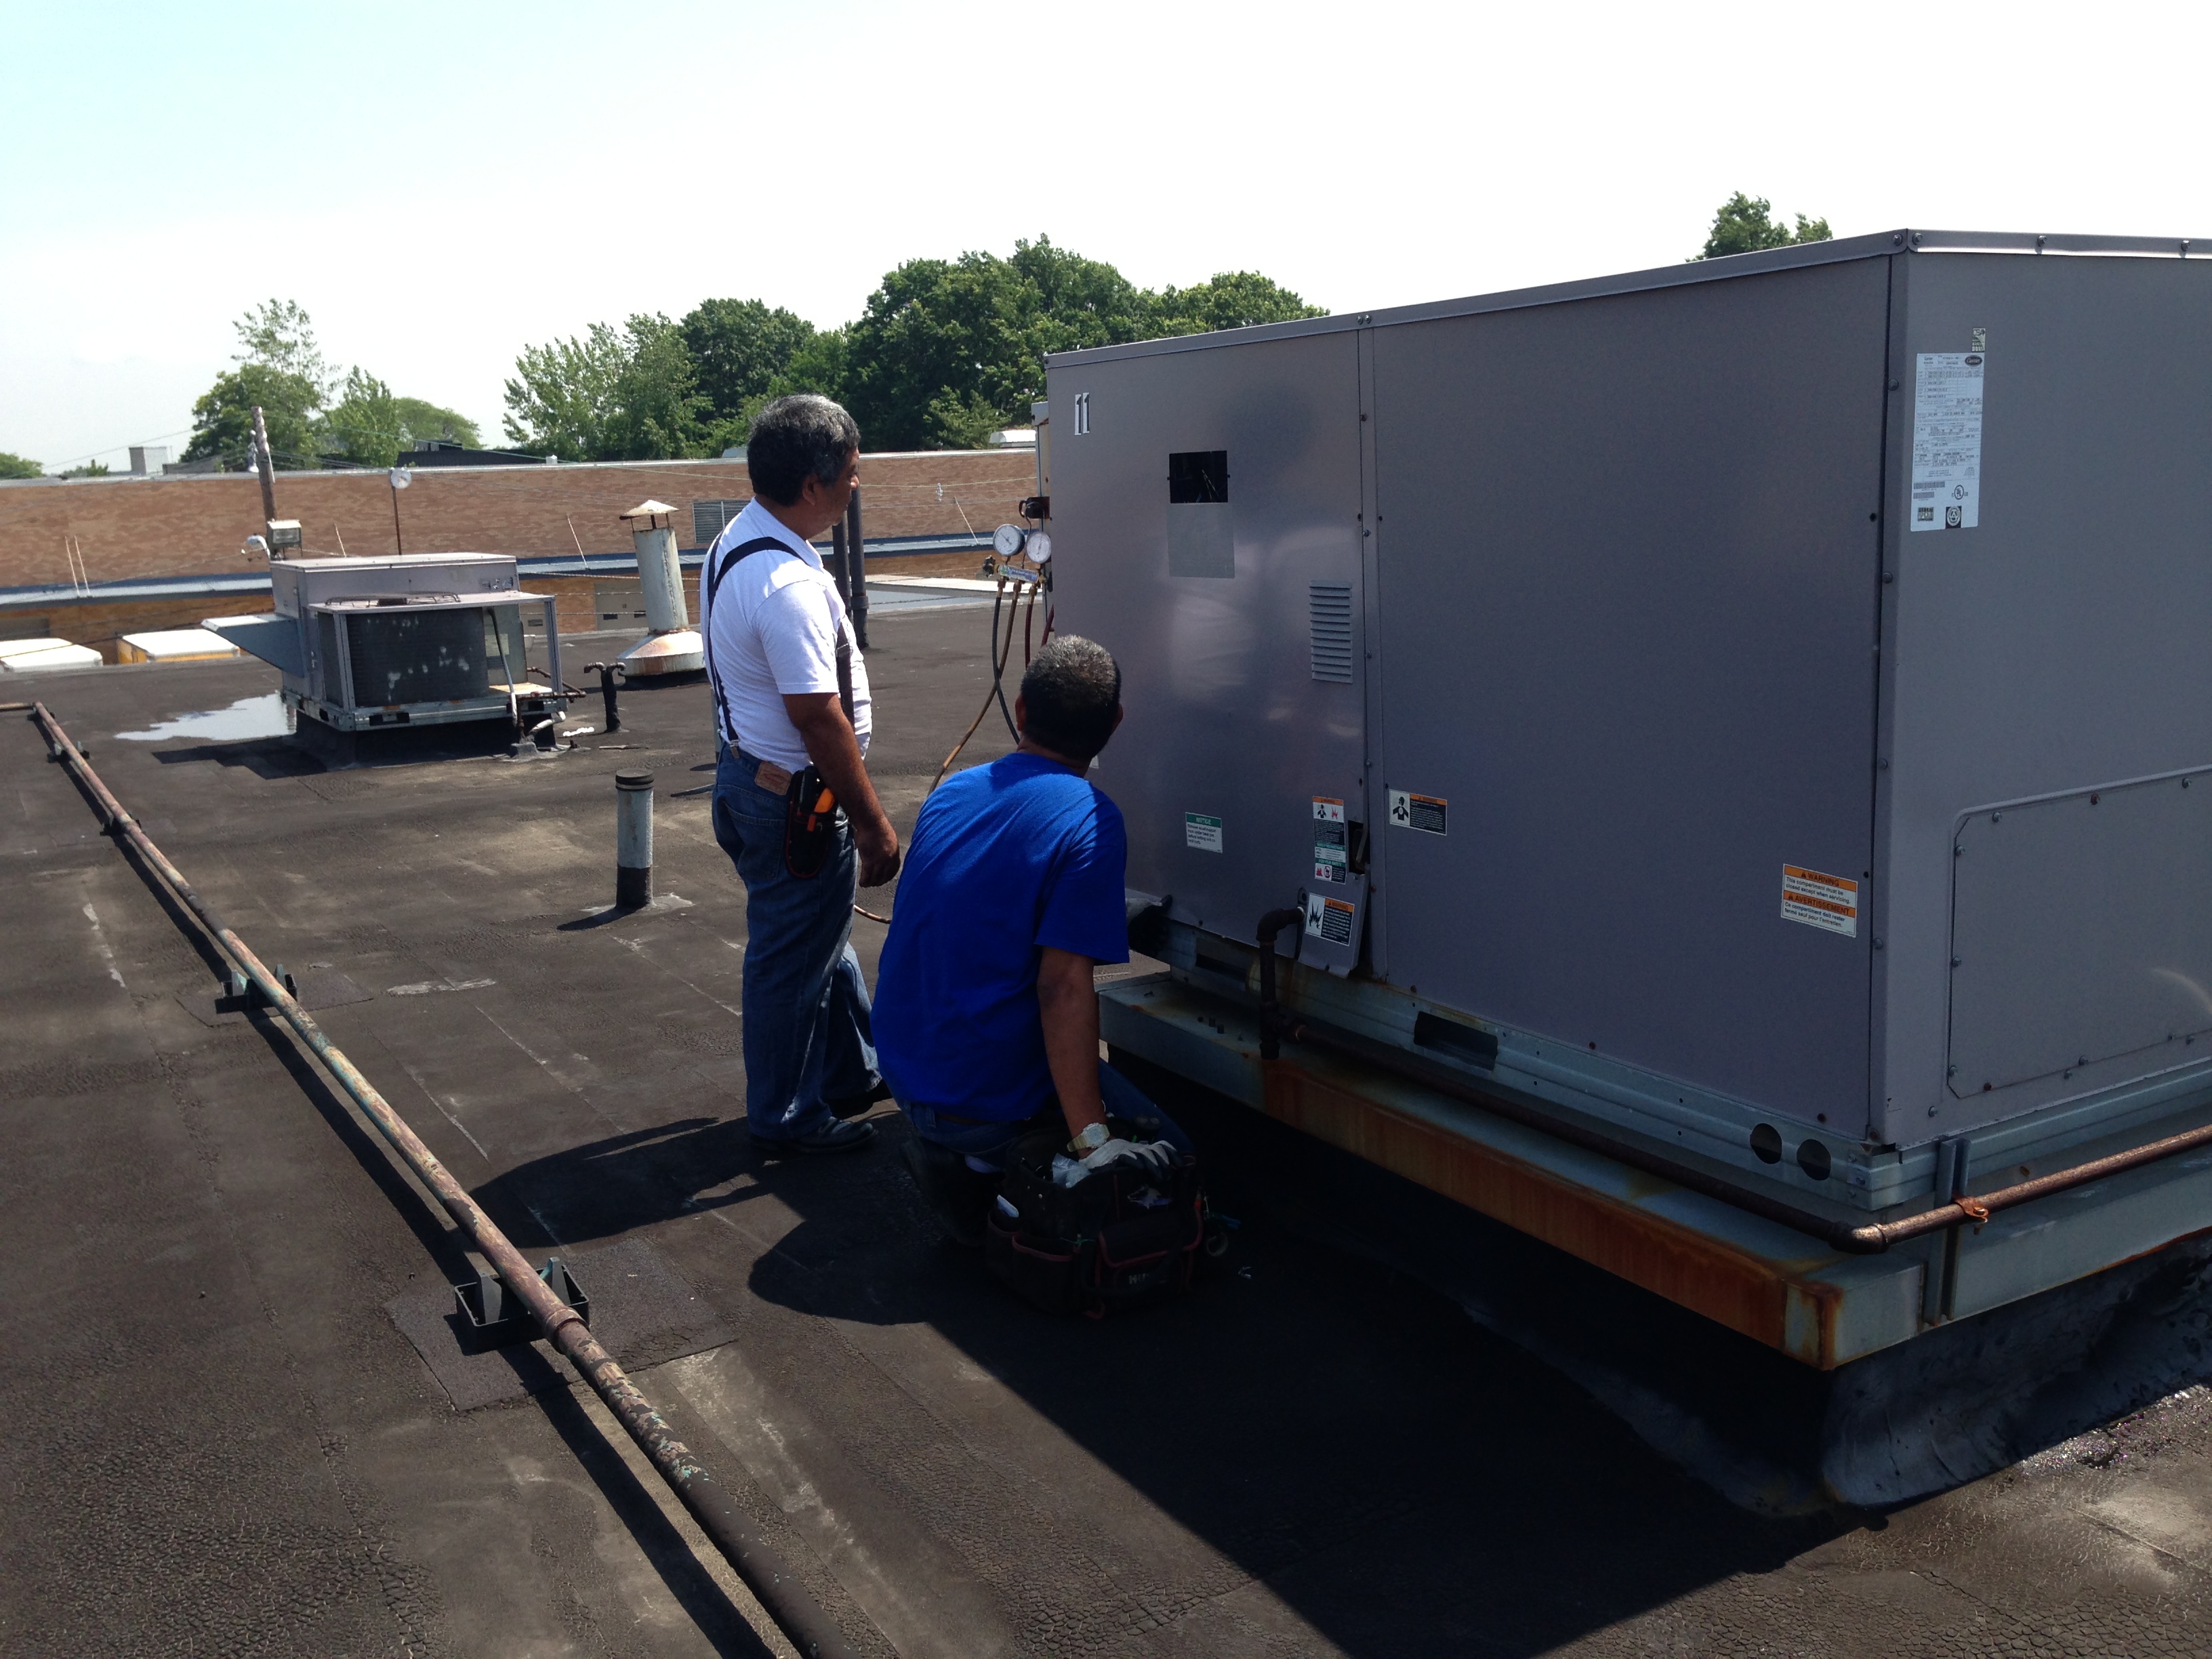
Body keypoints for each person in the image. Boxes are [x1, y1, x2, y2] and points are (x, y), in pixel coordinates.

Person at [871, 636, 1189, 1242]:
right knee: (1170, 1158)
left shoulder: (955, 792)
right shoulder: (1091, 817)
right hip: (972, 1100)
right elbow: (1062, 989)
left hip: (907, 1069)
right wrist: (1095, 1140)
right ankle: (989, 1168)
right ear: (1115, 724)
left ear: (1020, 711)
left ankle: (975, 1152)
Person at [701, 394, 899, 1153]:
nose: (858, 486)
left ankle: (855, 1072)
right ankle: (786, 1115)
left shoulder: (737, 543)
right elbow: (818, 718)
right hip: (794, 803)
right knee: (790, 963)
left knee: (818, 936)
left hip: (747, 782)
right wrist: (875, 825)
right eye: (851, 473)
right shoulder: (788, 588)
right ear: (814, 484)